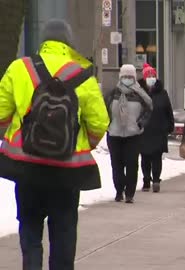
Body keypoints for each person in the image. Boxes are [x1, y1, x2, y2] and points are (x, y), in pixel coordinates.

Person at [0, 19, 109, 270]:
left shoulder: (20, 69)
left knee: (29, 226)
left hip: (26, 167)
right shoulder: (83, 75)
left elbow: (2, 113)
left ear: (44, 41)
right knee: (64, 229)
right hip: (66, 172)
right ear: (68, 43)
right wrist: (81, 144)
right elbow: (99, 122)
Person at [105, 64, 153, 203]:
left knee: (132, 164)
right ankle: (119, 191)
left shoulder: (140, 94)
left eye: (130, 76)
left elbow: (149, 108)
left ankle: (130, 193)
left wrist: (141, 123)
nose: (127, 79)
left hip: (133, 135)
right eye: (124, 76)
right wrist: (107, 124)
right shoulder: (113, 93)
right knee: (117, 164)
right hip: (114, 134)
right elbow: (103, 109)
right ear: (120, 77)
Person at [138, 63, 174, 193]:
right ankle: (146, 180)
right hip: (144, 130)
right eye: (149, 75)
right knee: (145, 157)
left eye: (153, 75)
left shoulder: (162, 93)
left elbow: (168, 110)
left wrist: (170, 125)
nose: (151, 78)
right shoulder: (139, 92)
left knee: (157, 157)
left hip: (159, 129)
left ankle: (156, 180)